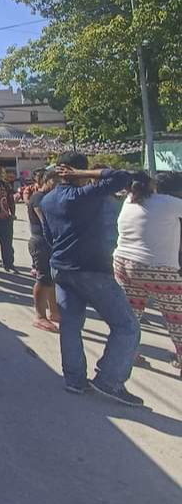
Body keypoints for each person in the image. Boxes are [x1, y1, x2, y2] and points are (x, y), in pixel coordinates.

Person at [38, 154, 140, 405]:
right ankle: (110, 379)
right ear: (75, 171)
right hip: (91, 268)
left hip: (61, 267)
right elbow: (122, 177)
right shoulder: (84, 195)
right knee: (126, 326)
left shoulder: (48, 199)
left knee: (70, 325)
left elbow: (48, 235)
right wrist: (83, 175)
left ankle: (74, 379)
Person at [113, 171, 182, 376]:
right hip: (157, 269)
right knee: (177, 318)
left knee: (131, 317)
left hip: (123, 263)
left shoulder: (131, 199)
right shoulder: (169, 203)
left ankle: (129, 354)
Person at [26, 170, 61, 331]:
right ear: (46, 181)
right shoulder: (38, 198)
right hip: (40, 241)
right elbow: (45, 220)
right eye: (55, 181)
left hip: (50, 242)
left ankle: (54, 311)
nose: (57, 185)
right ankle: (40, 316)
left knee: (52, 279)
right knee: (43, 278)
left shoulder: (49, 198)